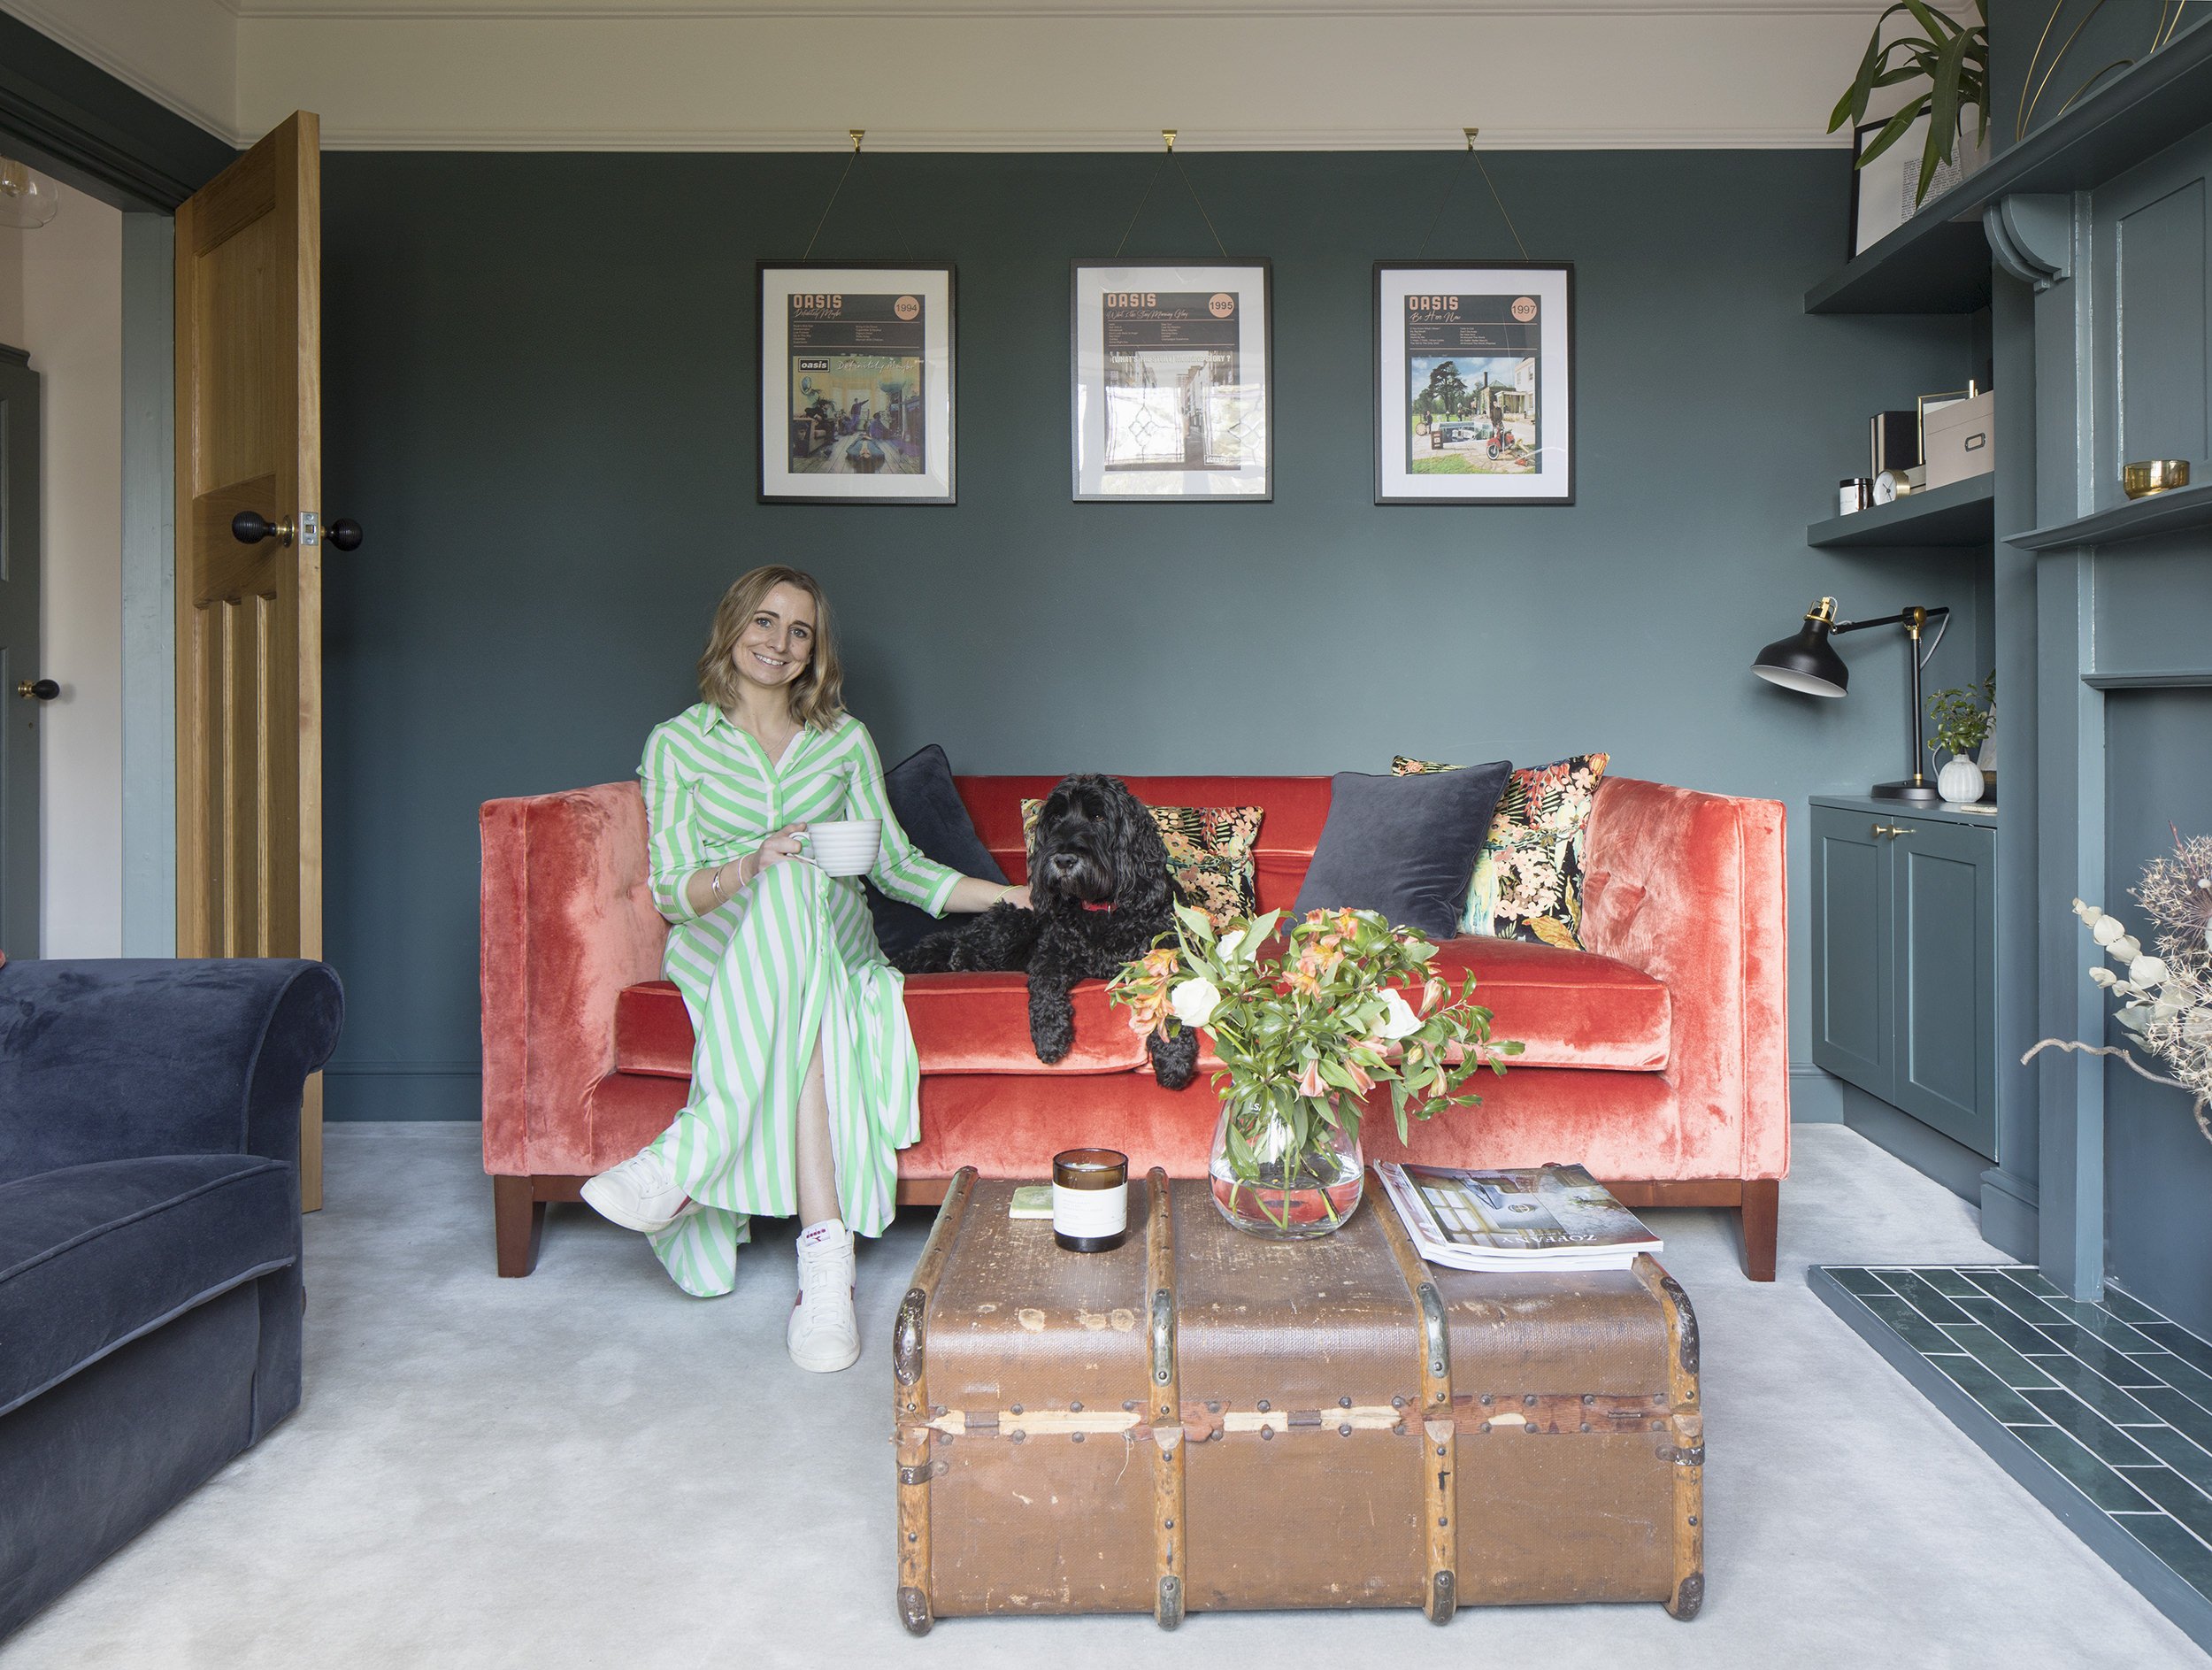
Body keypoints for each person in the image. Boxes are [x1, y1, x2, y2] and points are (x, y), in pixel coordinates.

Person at [580, 565, 1025, 1371]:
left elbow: (897, 867)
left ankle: (689, 1157)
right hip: (720, 933)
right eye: (764, 621)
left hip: (832, 927)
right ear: (732, 627)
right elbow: (677, 888)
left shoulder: (843, 741)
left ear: (814, 652)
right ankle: (827, 1262)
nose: (778, 643)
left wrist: (1013, 898)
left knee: (800, 893)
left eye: (799, 631)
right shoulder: (677, 742)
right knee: (799, 954)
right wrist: (751, 865)